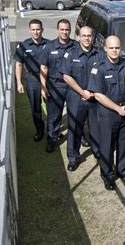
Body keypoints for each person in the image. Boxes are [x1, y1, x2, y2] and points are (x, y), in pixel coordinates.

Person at [87, 35, 125, 190]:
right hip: (108, 114)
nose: (115, 51)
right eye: (111, 48)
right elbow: (97, 94)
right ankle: (107, 175)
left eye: (117, 48)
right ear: (105, 49)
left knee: (124, 144)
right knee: (107, 146)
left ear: (120, 48)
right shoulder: (99, 68)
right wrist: (117, 108)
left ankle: (122, 170)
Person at [60, 26, 104, 171]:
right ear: (78, 37)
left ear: (93, 37)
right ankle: (73, 157)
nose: (86, 38)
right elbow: (66, 76)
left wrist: (94, 93)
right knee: (75, 128)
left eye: (89, 36)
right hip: (76, 97)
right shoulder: (71, 53)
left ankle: (98, 152)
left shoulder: (100, 54)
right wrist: (83, 92)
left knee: (97, 127)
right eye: (83, 35)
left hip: (95, 98)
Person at [40, 19, 77, 153]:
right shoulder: (49, 46)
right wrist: (43, 88)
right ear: (57, 30)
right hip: (55, 86)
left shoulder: (76, 46)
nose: (64, 32)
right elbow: (43, 68)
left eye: (67, 29)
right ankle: (52, 139)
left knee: (76, 115)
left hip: (73, 86)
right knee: (54, 116)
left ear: (70, 30)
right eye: (62, 29)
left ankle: (79, 137)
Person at [14, 19, 48, 142]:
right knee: (35, 107)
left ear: (42, 29)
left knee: (51, 106)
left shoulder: (49, 44)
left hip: (47, 79)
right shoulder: (23, 45)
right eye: (33, 29)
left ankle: (53, 129)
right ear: (29, 30)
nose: (36, 32)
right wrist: (19, 82)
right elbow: (18, 64)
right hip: (31, 79)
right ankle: (39, 130)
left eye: (38, 29)